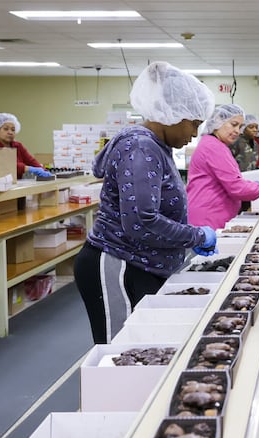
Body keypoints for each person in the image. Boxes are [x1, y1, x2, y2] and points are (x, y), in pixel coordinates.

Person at [73, 62, 217, 344]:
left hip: (142, 263)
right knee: (123, 349)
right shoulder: (141, 147)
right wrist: (195, 235)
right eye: (194, 124)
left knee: (145, 348)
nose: (195, 134)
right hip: (118, 263)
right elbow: (141, 219)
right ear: (172, 114)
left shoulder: (156, 147)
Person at [187, 104, 259, 230]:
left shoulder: (215, 144)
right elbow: (237, 188)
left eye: (240, 126)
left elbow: (231, 180)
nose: (238, 131)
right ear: (217, 121)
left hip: (210, 216)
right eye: (233, 124)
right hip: (208, 220)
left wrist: (255, 184)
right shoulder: (214, 147)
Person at [0, 113, 53, 179]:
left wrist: (43, 170)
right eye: (6, 129)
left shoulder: (18, 146)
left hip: (17, 183)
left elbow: (31, 161)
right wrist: (29, 168)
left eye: (13, 130)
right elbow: (8, 166)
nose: (10, 132)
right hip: (0, 185)